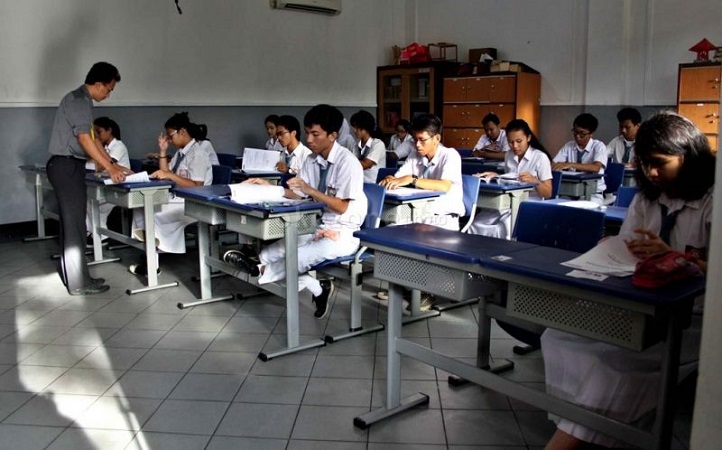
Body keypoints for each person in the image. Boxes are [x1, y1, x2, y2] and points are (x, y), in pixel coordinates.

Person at [542, 112, 714, 449]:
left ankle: (580, 433)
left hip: (693, 318)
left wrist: (675, 257)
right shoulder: (647, 198)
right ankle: (585, 422)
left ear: (689, 157)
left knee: (612, 365)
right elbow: (628, 248)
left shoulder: (712, 202)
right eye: (645, 163)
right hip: (641, 302)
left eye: (660, 163)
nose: (650, 172)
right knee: (559, 335)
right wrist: (613, 249)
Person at [223, 104, 367, 319]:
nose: (309, 139)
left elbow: (341, 206)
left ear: (333, 135)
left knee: (297, 258)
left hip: (344, 232)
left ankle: (259, 271)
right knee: (270, 253)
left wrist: (310, 190)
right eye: (307, 133)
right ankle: (316, 286)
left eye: (315, 134)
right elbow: (299, 194)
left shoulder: (348, 162)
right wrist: (270, 188)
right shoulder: (311, 160)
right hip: (318, 225)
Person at [46, 62, 130, 296]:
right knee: (75, 226)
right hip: (66, 166)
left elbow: (93, 140)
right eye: (109, 89)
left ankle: (76, 277)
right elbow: (84, 139)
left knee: (72, 225)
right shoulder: (78, 101)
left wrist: (112, 163)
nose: (109, 94)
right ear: (99, 84)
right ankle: (78, 283)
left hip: (69, 166)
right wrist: (109, 169)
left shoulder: (82, 101)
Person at [379, 114, 464, 311]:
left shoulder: (450, 155)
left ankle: (426, 291)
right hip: (418, 213)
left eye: (422, 140)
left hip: (443, 217)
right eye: (415, 139)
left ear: (437, 138)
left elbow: (444, 185)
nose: (417, 145)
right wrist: (392, 179)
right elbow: (400, 178)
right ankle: (404, 284)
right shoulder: (415, 155)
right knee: (391, 230)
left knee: (417, 238)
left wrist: (413, 179)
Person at [129, 112, 213, 276]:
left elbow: (197, 186)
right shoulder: (181, 153)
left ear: (182, 131)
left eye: (170, 135)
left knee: (153, 211)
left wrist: (170, 175)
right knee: (140, 206)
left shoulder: (198, 154)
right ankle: (151, 250)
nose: (169, 139)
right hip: (178, 198)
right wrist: (162, 151)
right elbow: (166, 172)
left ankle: (152, 263)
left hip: (195, 202)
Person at [468, 119, 553, 238]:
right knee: (476, 223)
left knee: (503, 227)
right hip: (507, 203)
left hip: (529, 204)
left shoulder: (540, 157)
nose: (515, 146)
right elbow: (511, 181)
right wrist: (496, 176)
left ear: (528, 138)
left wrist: (535, 181)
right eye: (510, 142)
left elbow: (548, 193)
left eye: (519, 141)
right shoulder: (509, 155)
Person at [85, 116, 131, 247]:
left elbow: (102, 166)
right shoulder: (105, 147)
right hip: (108, 184)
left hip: (121, 187)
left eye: (99, 132)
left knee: (96, 203)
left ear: (109, 130)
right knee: (89, 200)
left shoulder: (118, 146)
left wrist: (96, 157)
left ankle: (101, 235)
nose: (97, 136)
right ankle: (92, 232)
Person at [552, 113, 608, 204]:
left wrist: (570, 164)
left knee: (583, 208)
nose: (577, 136)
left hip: (593, 194)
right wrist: (556, 166)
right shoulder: (569, 145)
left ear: (591, 134)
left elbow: (596, 167)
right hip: (570, 192)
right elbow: (554, 163)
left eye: (582, 133)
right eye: (575, 132)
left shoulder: (599, 146)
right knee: (558, 206)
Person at [350, 110, 386, 183]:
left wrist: (347, 163)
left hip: (373, 183)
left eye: (357, 128)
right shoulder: (355, 145)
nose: (354, 130)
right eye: (354, 127)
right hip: (359, 182)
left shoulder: (378, 144)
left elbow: (366, 164)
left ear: (365, 128)